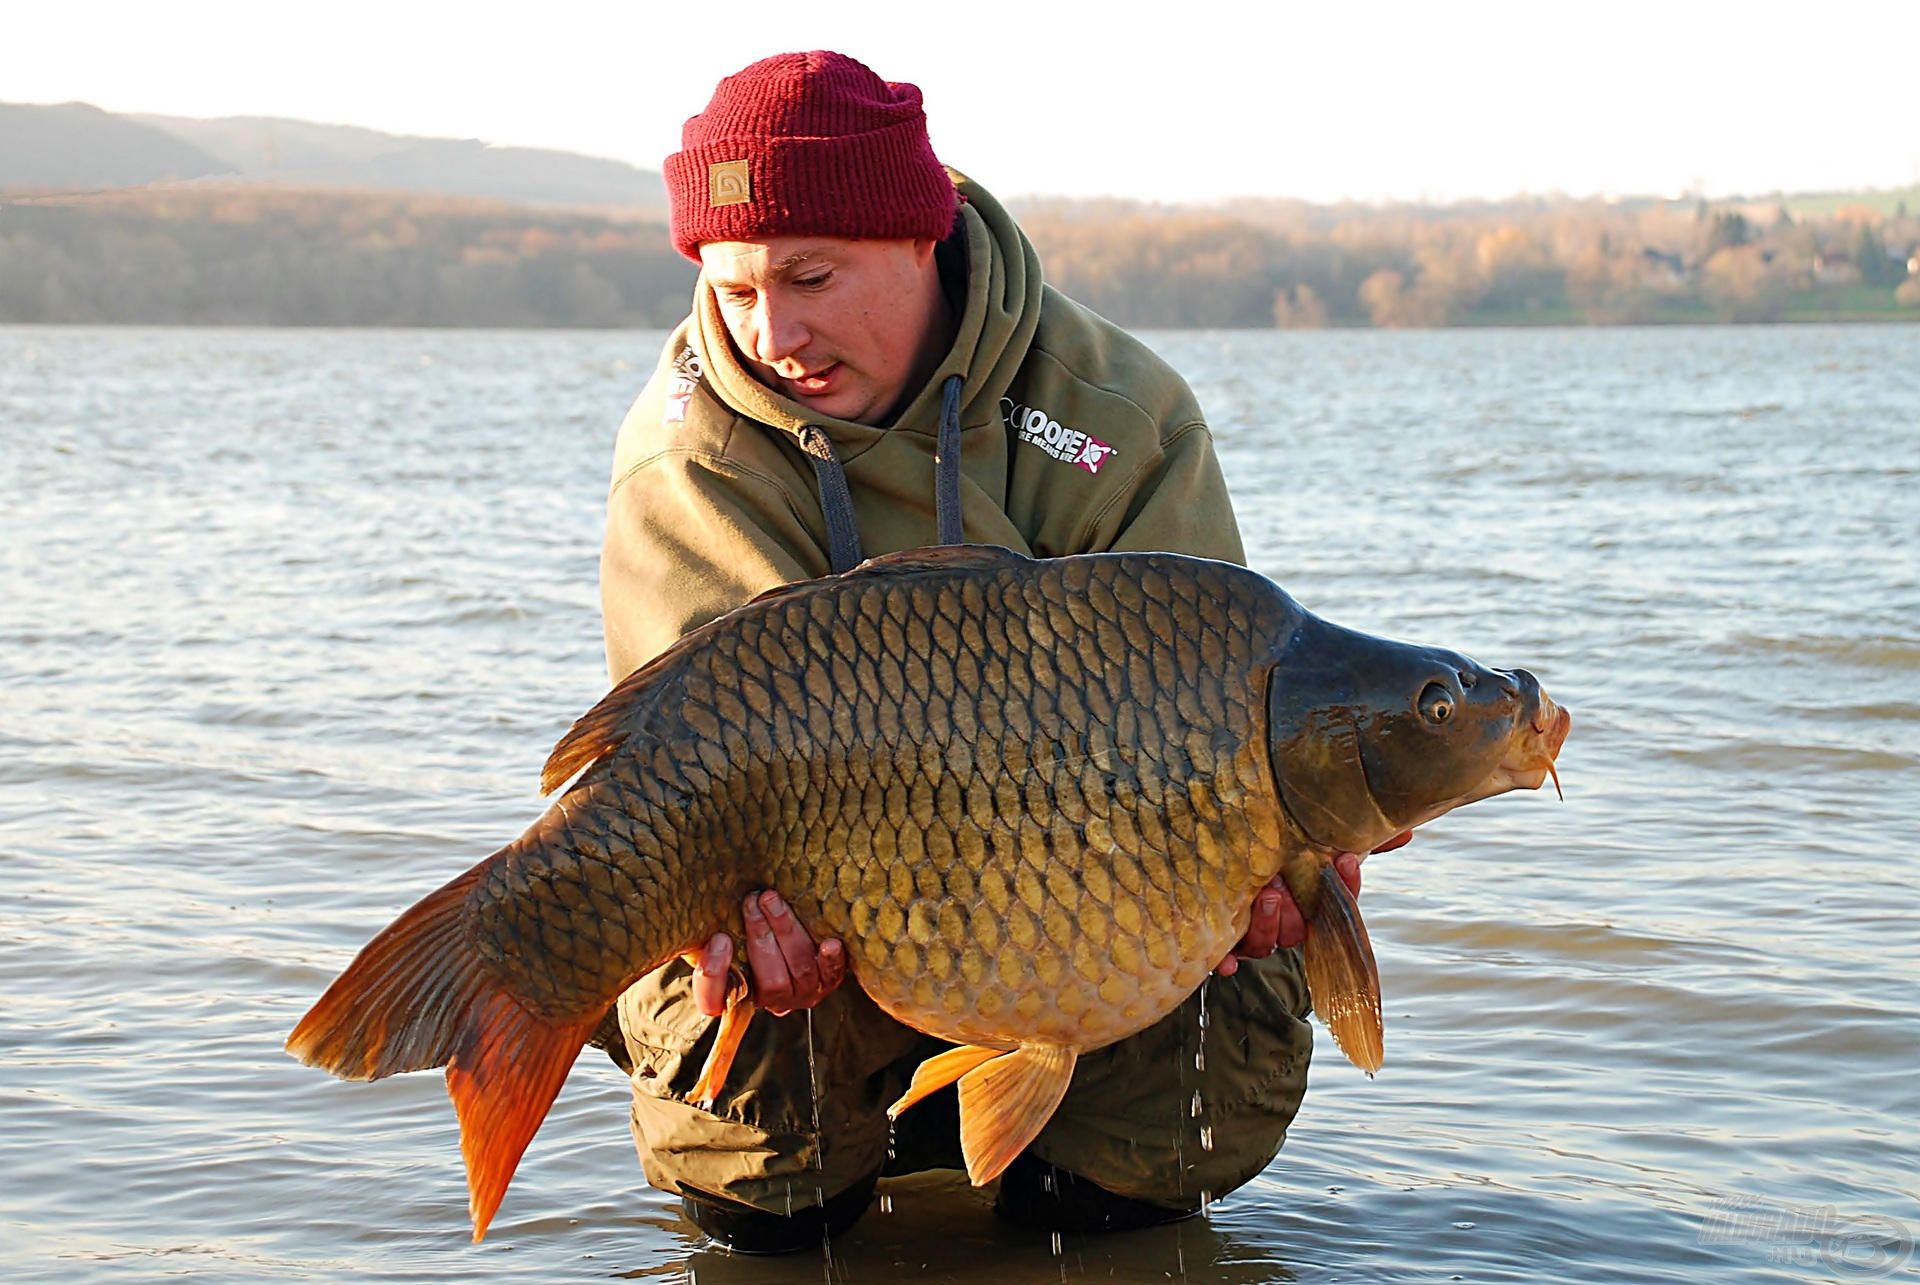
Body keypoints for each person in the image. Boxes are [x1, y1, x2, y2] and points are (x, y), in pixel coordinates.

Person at [597, 49, 1369, 1253]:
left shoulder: (1118, 417)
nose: (774, 330)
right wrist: (727, 926)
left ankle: (1078, 1190)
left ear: (921, 237)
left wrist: (1260, 853)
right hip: (829, 897)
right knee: (764, 1196)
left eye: (810, 276)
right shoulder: (688, 456)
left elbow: (1223, 699)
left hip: (1080, 883)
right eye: (736, 288)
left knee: (1210, 1009)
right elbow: (700, 757)